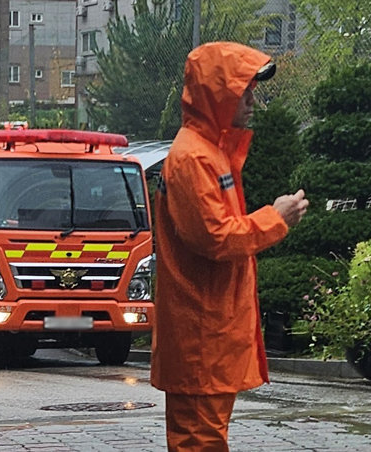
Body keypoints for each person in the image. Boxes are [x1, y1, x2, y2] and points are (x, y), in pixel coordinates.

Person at [150, 42, 309, 451]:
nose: (253, 99)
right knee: (200, 440)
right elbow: (216, 238)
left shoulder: (207, 152)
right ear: (218, 93)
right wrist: (276, 217)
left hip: (206, 332)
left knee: (203, 438)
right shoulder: (194, 158)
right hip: (201, 332)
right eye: (245, 89)